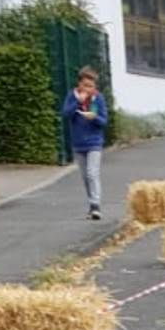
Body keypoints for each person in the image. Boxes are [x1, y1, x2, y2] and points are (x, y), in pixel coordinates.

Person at [60, 67, 108, 219]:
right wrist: (77, 103)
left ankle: (96, 205)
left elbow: (104, 121)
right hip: (78, 143)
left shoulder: (97, 98)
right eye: (86, 85)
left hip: (94, 142)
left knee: (92, 173)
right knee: (85, 176)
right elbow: (65, 114)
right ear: (79, 84)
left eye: (91, 86)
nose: (88, 89)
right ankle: (91, 204)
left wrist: (93, 117)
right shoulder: (72, 96)